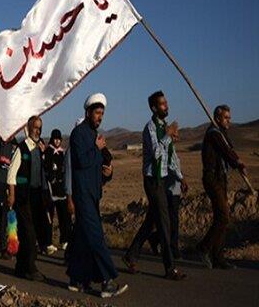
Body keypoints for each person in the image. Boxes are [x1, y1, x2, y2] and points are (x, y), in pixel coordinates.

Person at [66, 94, 127, 297]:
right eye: (97, 113)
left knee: (83, 239)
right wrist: (96, 147)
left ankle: (77, 279)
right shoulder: (78, 134)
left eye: (102, 114)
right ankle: (107, 281)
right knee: (96, 238)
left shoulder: (95, 136)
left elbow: (97, 165)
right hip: (82, 194)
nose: (100, 117)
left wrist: (107, 173)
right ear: (88, 112)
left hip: (94, 193)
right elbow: (82, 162)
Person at [123, 91, 187, 281]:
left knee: (152, 220)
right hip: (153, 181)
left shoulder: (164, 127)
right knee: (164, 222)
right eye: (162, 104)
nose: (166, 106)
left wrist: (181, 177)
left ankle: (130, 255)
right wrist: (167, 136)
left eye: (166, 103)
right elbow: (157, 153)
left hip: (164, 179)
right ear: (153, 108)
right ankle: (170, 268)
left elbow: (170, 157)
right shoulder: (150, 128)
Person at [197, 105, 248, 269]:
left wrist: (237, 162)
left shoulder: (222, 134)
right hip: (212, 178)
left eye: (229, 117)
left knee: (222, 218)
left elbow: (230, 149)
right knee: (224, 215)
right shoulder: (214, 134)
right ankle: (203, 248)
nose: (229, 121)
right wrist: (237, 163)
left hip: (221, 178)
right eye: (226, 118)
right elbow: (225, 151)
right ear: (217, 118)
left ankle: (217, 257)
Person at [6, 116, 46, 281]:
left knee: (27, 231)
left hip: (35, 196)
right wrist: (12, 195)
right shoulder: (21, 149)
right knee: (29, 233)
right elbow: (11, 174)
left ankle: (20, 268)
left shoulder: (38, 149)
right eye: (35, 127)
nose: (38, 130)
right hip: (23, 197)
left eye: (40, 128)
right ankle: (31, 268)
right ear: (29, 129)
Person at [0, 135, 17, 258]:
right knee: (3, 216)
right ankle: (3, 246)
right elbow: (1, 162)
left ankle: (0, 240)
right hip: (0, 183)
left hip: (10, 184)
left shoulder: (14, 144)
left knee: (8, 217)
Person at [45, 129, 71, 250]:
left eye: (59, 139)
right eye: (55, 139)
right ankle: (48, 241)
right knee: (49, 217)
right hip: (51, 191)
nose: (57, 141)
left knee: (64, 217)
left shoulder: (62, 153)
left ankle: (65, 239)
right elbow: (46, 168)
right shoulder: (48, 152)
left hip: (61, 190)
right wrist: (51, 177)